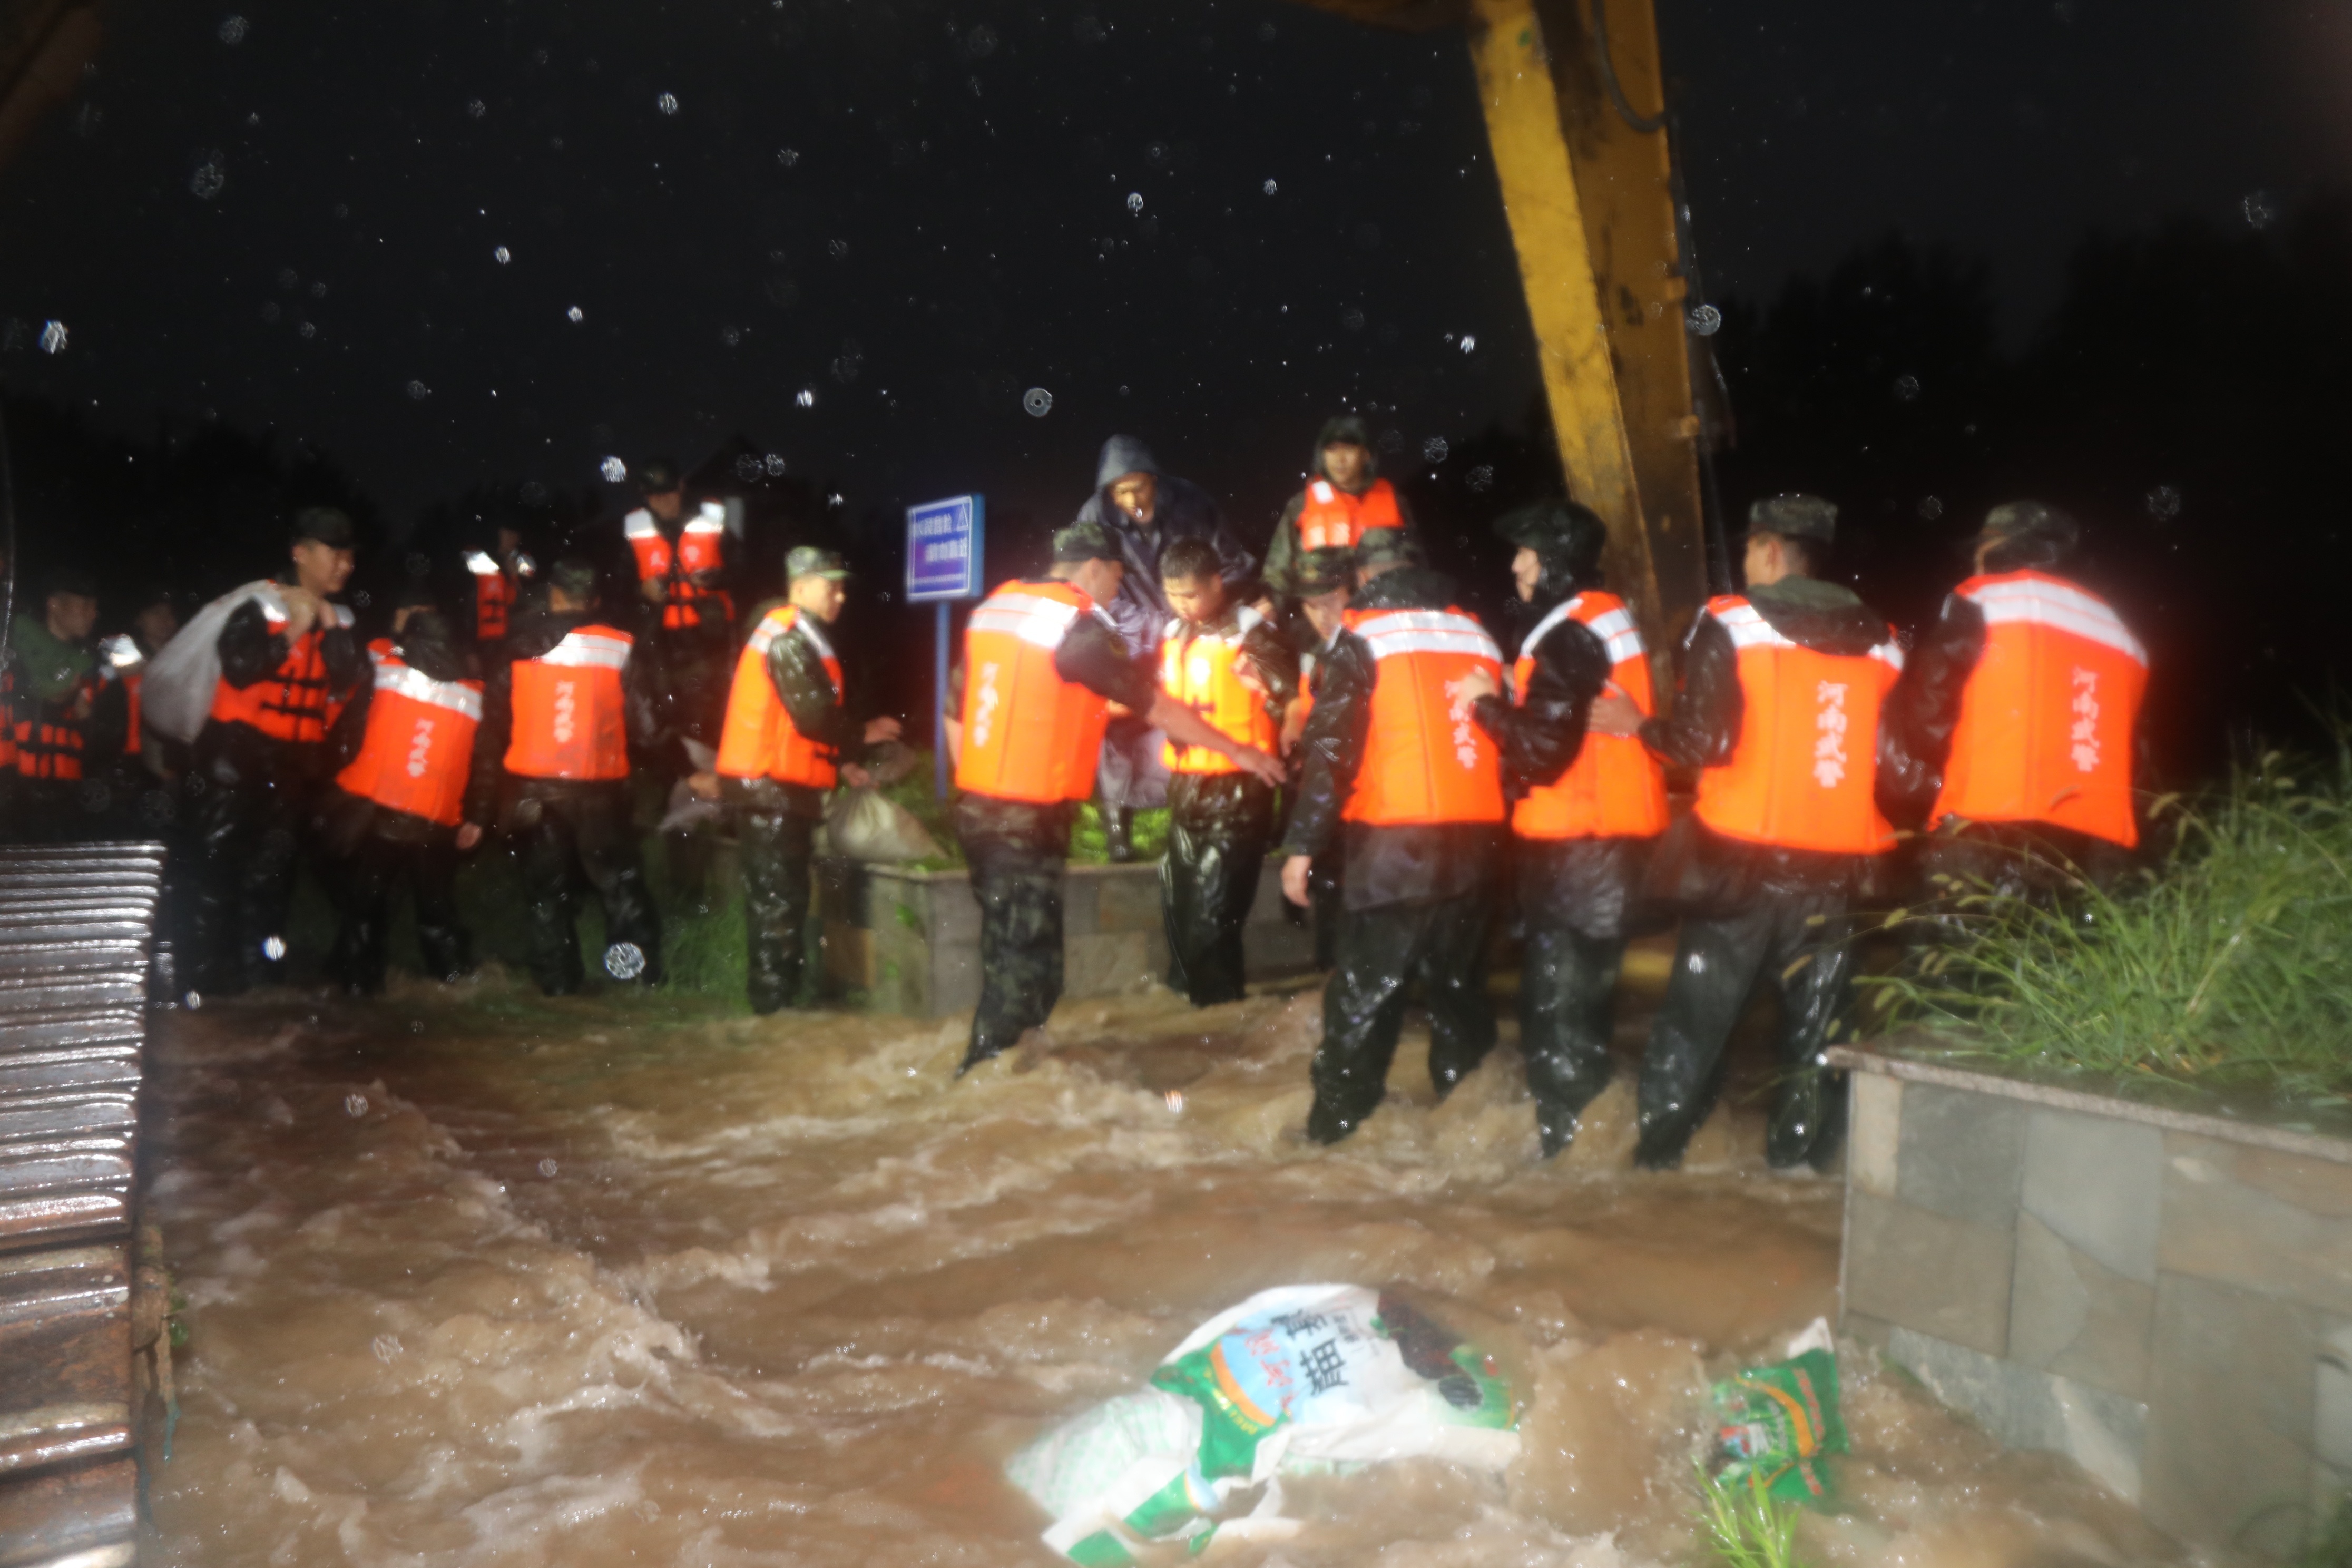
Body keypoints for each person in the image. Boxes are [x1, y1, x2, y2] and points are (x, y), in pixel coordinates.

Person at [1592, 495, 1902, 1171]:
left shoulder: (1732, 622)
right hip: (1837, 876)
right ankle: (1795, 1172)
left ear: (1767, 550)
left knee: (1695, 1027)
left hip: (1739, 869)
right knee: (1818, 1035)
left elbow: (1704, 740)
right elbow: (1902, 769)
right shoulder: (1885, 641)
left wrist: (1636, 726)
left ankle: (1653, 1166)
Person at [944, 520, 1285, 1073]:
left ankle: (1017, 1083)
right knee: (1024, 971)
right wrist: (1240, 751)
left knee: (1016, 958)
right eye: (1118, 577)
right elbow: (1154, 703)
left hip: (981, 811)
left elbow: (955, 711)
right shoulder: (1072, 627)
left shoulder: (997, 611)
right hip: (1023, 821)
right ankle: (984, 1086)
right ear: (1095, 568)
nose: (1117, 590)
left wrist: (977, 784)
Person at [1453, 503, 1669, 1157]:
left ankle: (1565, 1159)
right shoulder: (1602, 616)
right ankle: (1593, 1152)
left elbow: (1544, 751)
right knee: (1582, 1014)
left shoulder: (1568, 634)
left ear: (1557, 562)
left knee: (1556, 1018)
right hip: (1608, 849)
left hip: (1581, 848)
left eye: (1527, 552)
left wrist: (1481, 703)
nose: (1515, 564)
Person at [1277, 527, 1507, 1143]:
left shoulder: (1363, 639)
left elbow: (1330, 754)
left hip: (1397, 848)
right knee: (1458, 991)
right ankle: (1474, 1120)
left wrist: (1301, 846)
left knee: (1363, 996)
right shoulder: (1476, 633)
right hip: (1480, 848)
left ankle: (1333, 1132)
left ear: (1367, 578)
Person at [1880, 500, 2148, 897]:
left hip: (1983, 831)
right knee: (2058, 957)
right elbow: (2134, 750)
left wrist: (1937, 775)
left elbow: (1928, 712)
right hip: (2088, 850)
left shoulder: (1982, 599)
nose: (1974, 564)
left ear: (1999, 546)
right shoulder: (2121, 630)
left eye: (1978, 551)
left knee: (1966, 956)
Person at [709, 546, 903, 1013]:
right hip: (771, 789)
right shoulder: (790, 637)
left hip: (778, 788)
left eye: (842, 586)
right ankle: (774, 1013)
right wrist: (862, 734)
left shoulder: (798, 634)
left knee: (783, 902)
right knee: (778, 906)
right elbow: (813, 715)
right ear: (799, 586)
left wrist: (841, 765)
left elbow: (797, 725)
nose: (840, 595)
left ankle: (777, 1006)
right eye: (829, 584)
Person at [466, 555, 670, 995]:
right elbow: (650, 730)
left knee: (547, 898)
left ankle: (557, 989)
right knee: (621, 890)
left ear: (553, 595)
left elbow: (492, 728)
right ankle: (637, 982)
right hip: (601, 792)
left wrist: (482, 805)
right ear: (593, 601)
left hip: (533, 797)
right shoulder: (620, 645)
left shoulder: (513, 648)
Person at [184, 509, 365, 992]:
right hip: (234, 758)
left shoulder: (339, 618)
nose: (345, 564)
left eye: (350, 555)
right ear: (300, 553)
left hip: (289, 767)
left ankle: (261, 985)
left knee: (272, 880)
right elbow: (242, 667)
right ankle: (194, 988)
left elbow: (348, 678)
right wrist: (295, 629)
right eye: (335, 553)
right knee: (213, 874)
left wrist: (326, 621)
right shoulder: (258, 604)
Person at [1071, 436, 1259, 861]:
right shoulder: (1093, 516)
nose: (1132, 498)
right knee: (1116, 722)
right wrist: (1155, 629)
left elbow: (1235, 564)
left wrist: (1199, 608)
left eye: (1140, 486)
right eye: (1121, 490)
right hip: (1131, 635)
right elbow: (1093, 590)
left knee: (1197, 715)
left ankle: (1196, 815)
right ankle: (1118, 828)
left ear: (1155, 479)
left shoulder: (1193, 502)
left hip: (1198, 628)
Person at [1155, 536, 1299, 1006]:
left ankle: (1217, 1025)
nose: (1182, 604)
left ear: (1217, 584)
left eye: (1191, 594)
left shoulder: (1252, 634)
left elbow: (1295, 700)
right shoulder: (1175, 632)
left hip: (1238, 792)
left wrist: (1285, 715)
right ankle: (1187, 1014)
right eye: (1173, 594)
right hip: (1186, 788)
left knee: (1213, 917)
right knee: (1178, 910)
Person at [316, 595, 485, 995]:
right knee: (436, 914)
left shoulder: (385, 673)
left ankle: (356, 988)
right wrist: (476, 814)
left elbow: (349, 733)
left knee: (364, 911)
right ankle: (458, 986)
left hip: (382, 817)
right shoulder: (474, 694)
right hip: (437, 824)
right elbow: (485, 762)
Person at [1281, 546, 1358, 965]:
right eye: (1312, 605)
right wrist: (1295, 717)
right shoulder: (1317, 651)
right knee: (1330, 906)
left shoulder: (1366, 647)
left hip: (1357, 807)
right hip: (1325, 802)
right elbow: (1306, 701)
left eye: (1331, 601)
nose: (1322, 614)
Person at [1260, 415, 1424, 600]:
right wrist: (1267, 609)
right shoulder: (1299, 507)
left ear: (1366, 454)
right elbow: (1276, 577)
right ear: (1322, 456)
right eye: (1332, 449)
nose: (1340, 459)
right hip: (1324, 620)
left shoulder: (1397, 502)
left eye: (1349, 449)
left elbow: (1419, 567)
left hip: (1384, 616)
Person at [6, 569, 115, 840]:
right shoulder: (12, 658)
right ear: (54, 604)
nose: (94, 613)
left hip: (70, 799)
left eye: (95, 606)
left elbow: (108, 740)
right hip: (14, 799)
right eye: (85, 605)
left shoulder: (97, 666)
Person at [465, 521, 536, 654]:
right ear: (496, 535)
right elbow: (467, 611)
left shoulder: (524, 565)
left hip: (513, 644)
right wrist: (469, 651)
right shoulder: (478, 563)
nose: (514, 539)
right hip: (483, 646)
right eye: (509, 534)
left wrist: (515, 577)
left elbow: (527, 605)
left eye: (516, 535)